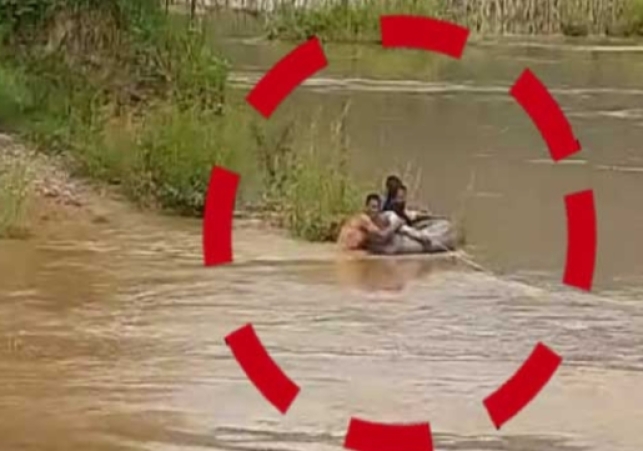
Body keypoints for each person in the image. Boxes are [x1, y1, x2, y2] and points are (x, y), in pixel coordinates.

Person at [337, 193, 401, 251]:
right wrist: (395, 225)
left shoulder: (360, 220)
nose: (373, 211)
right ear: (366, 207)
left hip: (343, 251)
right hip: (346, 252)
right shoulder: (364, 219)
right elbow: (382, 236)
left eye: (376, 208)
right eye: (372, 207)